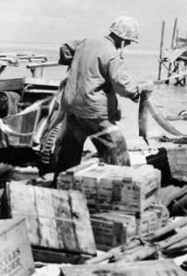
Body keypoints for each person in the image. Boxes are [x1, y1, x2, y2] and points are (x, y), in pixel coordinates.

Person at [53, 16, 145, 175]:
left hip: (73, 108)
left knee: (69, 151)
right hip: (93, 112)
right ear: (123, 39)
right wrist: (137, 93)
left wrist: (74, 62)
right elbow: (122, 84)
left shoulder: (86, 42)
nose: (129, 44)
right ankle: (119, 182)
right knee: (117, 148)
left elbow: (65, 49)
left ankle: (60, 184)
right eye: (129, 41)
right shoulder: (112, 54)